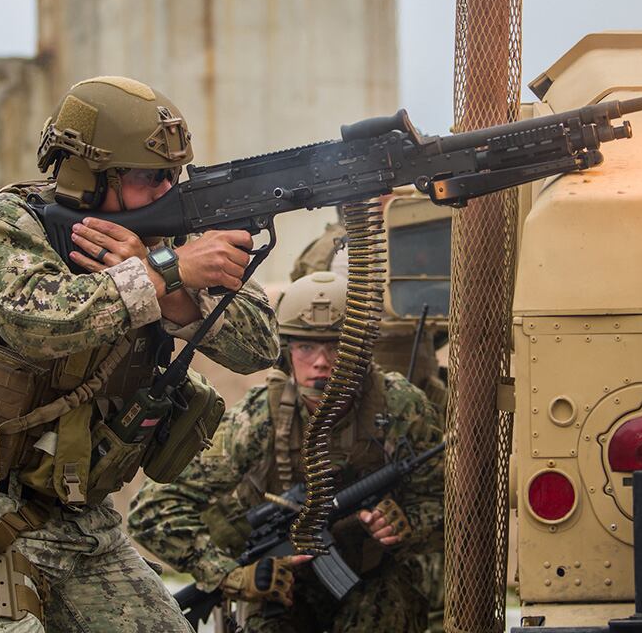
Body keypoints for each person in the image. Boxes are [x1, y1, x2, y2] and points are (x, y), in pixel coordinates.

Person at [0, 76, 280, 633]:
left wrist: (177, 289)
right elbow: (42, 322)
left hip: (86, 524)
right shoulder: (8, 224)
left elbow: (259, 345)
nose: (166, 191)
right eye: (148, 177)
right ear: (89, 175)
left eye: (171, 176)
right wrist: (162, 273)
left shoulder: (168, 238)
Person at [129, 270, 444, 633]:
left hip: (372, 578)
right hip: (283, 587)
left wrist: (409, 524)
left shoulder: (401, 406)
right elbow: (150, 511)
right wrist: (231, 576)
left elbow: (450, 507)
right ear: (286, 352)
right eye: (306, 347)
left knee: (387, 610)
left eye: (336, 346)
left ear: (359, 350)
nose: (322, 363)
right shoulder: (259, 418)